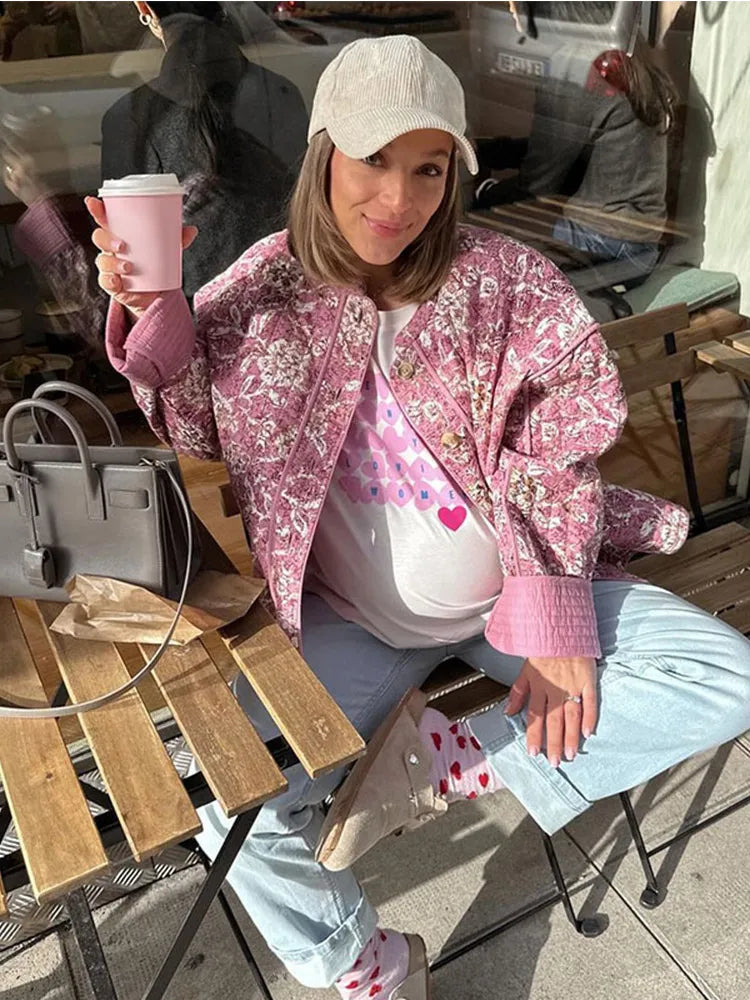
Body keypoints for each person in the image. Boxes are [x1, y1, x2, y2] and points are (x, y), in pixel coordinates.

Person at [86, 35, 750, 999]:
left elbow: (558, 441)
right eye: (373, 158)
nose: (399, 198)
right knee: (231, 794)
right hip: (351, 622)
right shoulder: (263, 286)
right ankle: (362, 962)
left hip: (513, 597)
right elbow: (193, 419)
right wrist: (153, 305)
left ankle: (452, 761)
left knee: (724, 676)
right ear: (324, 153)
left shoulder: (506, 285)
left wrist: (554, 614)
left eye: (429, 167)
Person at [101, 1, 307, 297]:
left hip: (183, 321)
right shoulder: (282, 95)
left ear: (144, 7)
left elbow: (135, 284)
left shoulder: (127, 119)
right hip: (289, 310)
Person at [475, 32, 679, 285]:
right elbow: (569, 147)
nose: (514, 14)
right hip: (643, 250)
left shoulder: (574, 65)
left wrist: (486, 196)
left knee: (474, 239)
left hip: (601, 243)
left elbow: (538, 184)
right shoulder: (631, 52)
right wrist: (489, 152)